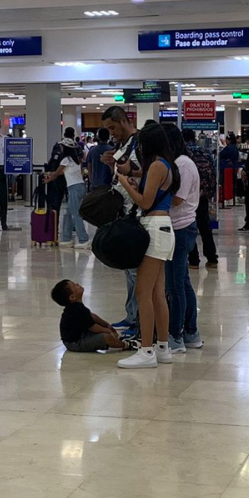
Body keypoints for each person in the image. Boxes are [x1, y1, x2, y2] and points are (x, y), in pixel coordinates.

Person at [115, 122, 178, 368]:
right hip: (163, 228)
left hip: (154, 228)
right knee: (157, 292)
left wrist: (125, 184)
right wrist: (132, 175)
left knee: (143, 292)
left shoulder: (155, 165)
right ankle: (162, 347)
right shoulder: (167, 165)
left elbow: (144, 201)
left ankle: (147, 350)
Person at [100, 106, 142, 335]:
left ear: (125, 121)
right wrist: (111, 165)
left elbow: (148, 172)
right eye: (108, 129)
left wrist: (127, 171)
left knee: (136, 271)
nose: (112, 133)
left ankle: (138, 320)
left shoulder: (140, 143)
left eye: (113, 127)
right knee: (128, 269)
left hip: (137, 213)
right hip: (123, 212)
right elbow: (121, 174)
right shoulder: (122, 146)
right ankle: (131, 315)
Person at [162, 124, 202, 352]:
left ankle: (176, 336)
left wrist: (151, 197)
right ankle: (191, 332)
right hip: (176, 227)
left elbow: (177, 200)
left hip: (180, 228)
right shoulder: (177, 163)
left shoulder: (183, 165)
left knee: (175, 286)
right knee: (182, 283)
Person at [51, 280, 140, 353]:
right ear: (72, 297)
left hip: (81, 335)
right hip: (75, 343)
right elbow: (93, 328)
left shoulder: (77, 307)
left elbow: (91, 316)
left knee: (105, 332)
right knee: (106, 337)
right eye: (75, 286)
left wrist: (106, 324)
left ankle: (118, 339)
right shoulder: (76, 310)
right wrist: (108, 330)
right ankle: (127, 345)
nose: (77, 284)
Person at [45, 128, 89, 247]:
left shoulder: (66, 159)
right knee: (68, 213)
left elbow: (58, 173)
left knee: (75, 214)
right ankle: (66, 238)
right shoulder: (75, 159)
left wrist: (48, 178)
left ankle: (84, 240)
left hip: (74, 188)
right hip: (79, 187)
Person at [184, 129, 218, 270]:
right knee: (205, 227)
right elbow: (213, 171)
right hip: (203, 195)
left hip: (189, 196)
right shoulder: (204, 151)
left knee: (190, 227)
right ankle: (212, 259)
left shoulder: (184, 153)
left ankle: (194, 260)